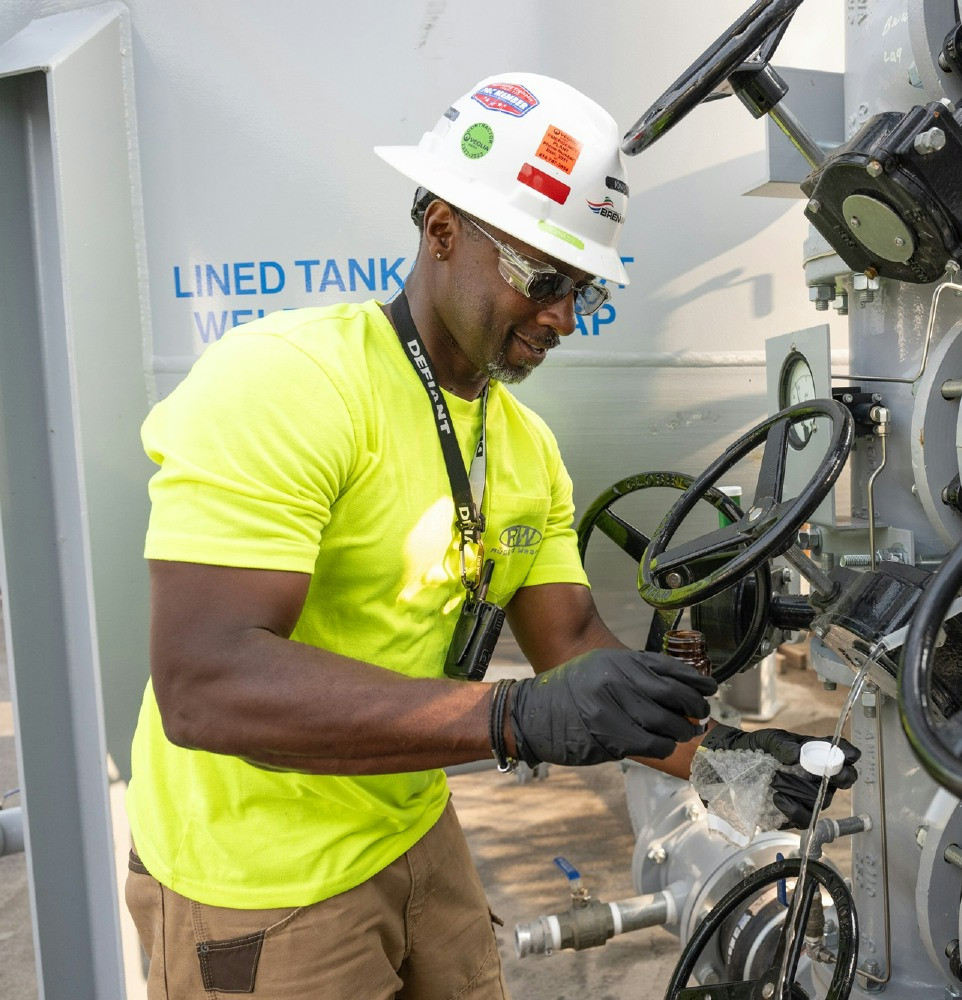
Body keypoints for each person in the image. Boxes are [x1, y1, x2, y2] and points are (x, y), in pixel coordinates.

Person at [122, 72, 858, 1000]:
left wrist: (730, 761)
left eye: (581, 290)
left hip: (412, 827)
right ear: (441, 231)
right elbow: (206, 682)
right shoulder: (290, 385)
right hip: (260, 885)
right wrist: (508, 720)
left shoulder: (520, 444)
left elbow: (573, 653)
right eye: (541, 277)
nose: (560, 316)